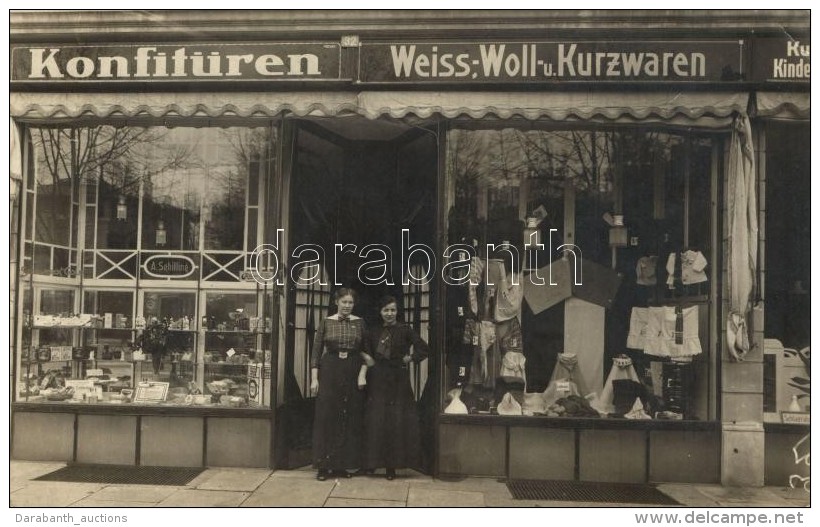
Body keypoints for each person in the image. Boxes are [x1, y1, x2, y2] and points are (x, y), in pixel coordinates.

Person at [362, 295, 430, 480]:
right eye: (386, 310)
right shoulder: (373, 331)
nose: (389, 313)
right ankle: (372, 464)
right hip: (377, 378)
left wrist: (409, 358)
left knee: (395, 421)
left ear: (397, 311)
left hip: (398, 379)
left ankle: (391, 466)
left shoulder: (404, 330)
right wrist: (367, 359)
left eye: (393, 310)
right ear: (380, 312)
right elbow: (364, 349)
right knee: (376, 420)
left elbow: (423, 348)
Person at [310, 288, 373, 481]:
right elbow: (316, 353)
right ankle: (323, 466)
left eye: (350, 303)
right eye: (343, 302)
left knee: (348, 415)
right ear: (336, 302)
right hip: (330, 368)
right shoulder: (326, 321)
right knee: (327, 415)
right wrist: (314, 378)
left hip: (352, 369)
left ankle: (340, 466)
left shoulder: (360, 323)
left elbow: (367, 353)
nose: (347, 306)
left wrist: (362, 375)